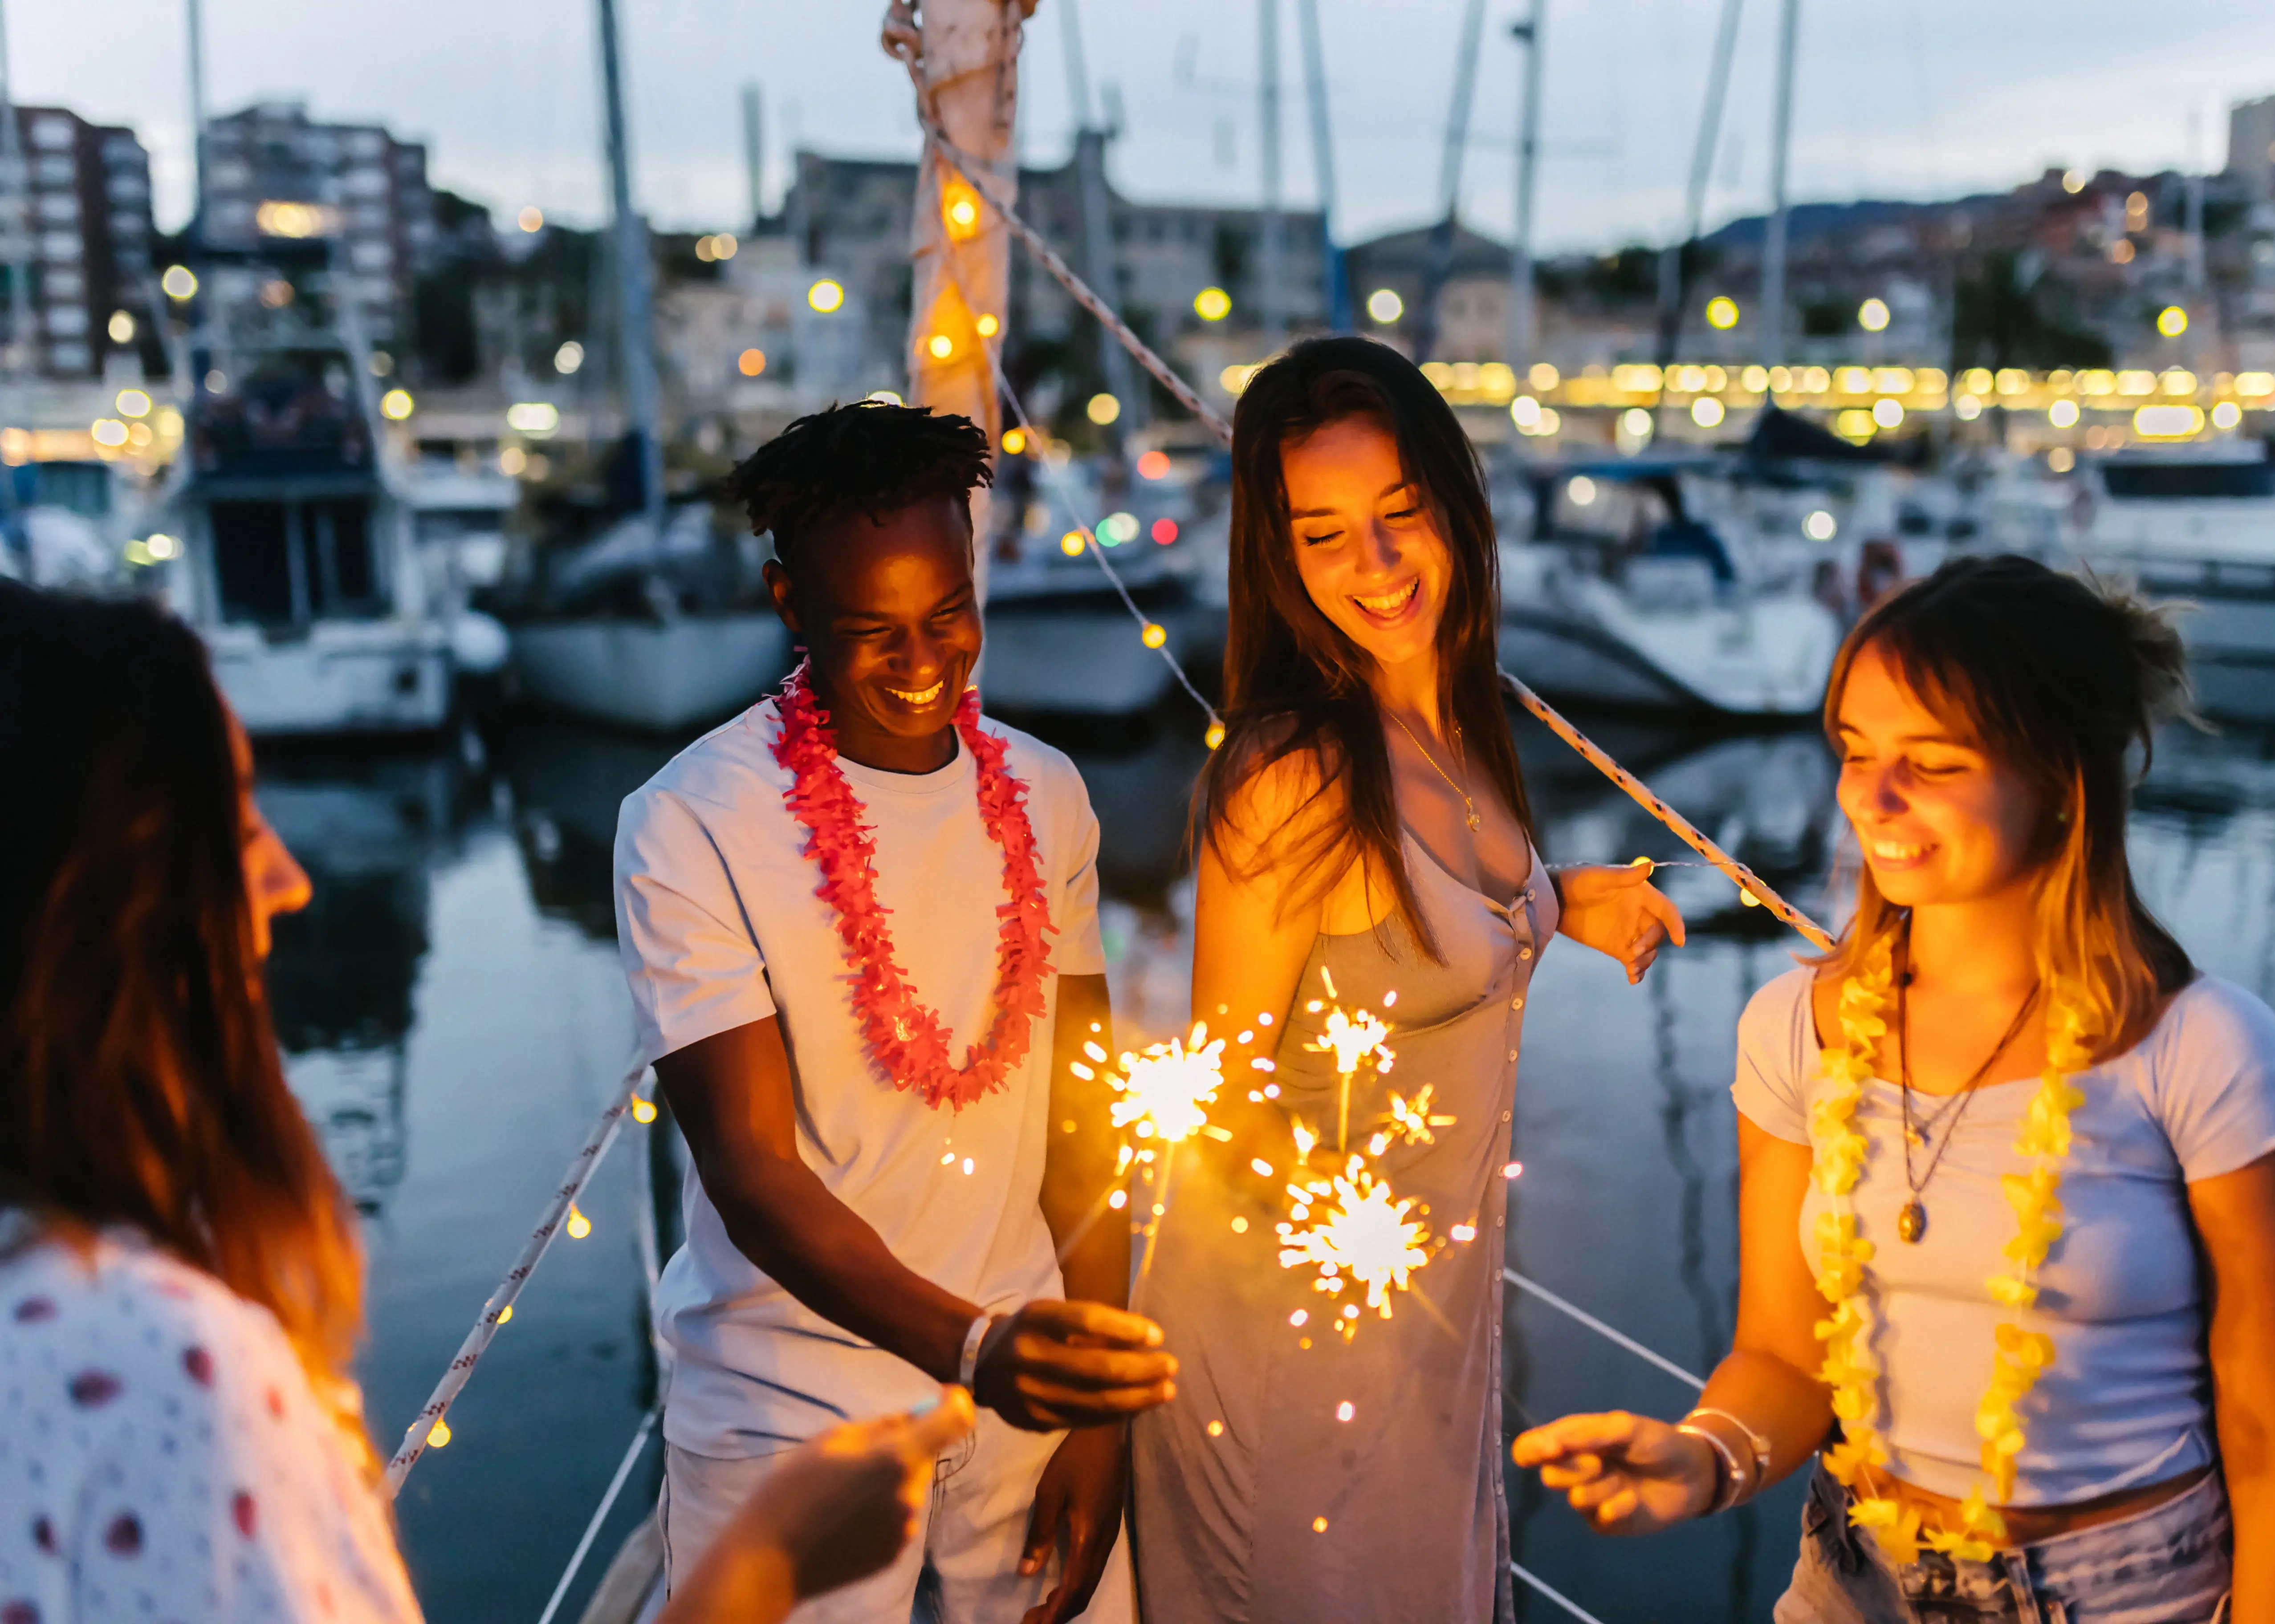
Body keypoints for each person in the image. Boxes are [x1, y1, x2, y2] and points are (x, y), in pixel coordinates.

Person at [0, 581, 979, 1624]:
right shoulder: (159, 1371)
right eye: (238, 833)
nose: (290, 880)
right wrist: (763, 1565)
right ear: (92, 915)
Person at [1515, 556, 2275, 1623]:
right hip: (1851, 1582)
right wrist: (1700, 1458)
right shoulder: (1797, 1030)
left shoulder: (2203, 1052)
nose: (1872, 795)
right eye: (1857, 751)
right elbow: (1782, 1356)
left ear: (2059, 778)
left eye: (1934, 762)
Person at [1128, 337, 1685, 1624]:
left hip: (1432, 1334)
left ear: (1454, 504)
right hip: (1296, 1342)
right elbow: (1217, 1095)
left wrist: (1560, 907)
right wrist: (1361, 1252)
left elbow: (1435, 930)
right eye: (1323, 536)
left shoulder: (1464, 727)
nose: (1374, 568)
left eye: (1398, 515)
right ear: (1280, 559)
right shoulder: (1291, 775)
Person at [614, 401, 1175, 1624]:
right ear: (787, 605)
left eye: (949, 616)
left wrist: (1095, 1415)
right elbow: (754, 1172)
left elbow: (1084, 1121)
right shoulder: (689, 823)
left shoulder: (1048, 793)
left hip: (1031, 1376)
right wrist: (976, 1352)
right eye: (872, 631)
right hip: (787, 1411)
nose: (924, 665)